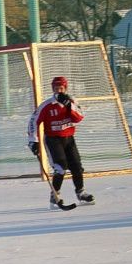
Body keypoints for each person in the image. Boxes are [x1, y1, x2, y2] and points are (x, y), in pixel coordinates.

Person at [28, 76, 95, 207]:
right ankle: (55, 196)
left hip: (69, 139)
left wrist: (69, 106)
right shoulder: (47, 105)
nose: (59, 91)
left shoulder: (72, 102)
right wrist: (33, 141)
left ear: (65, 88)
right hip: (53, 140)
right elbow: (33, 121)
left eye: (61, 88)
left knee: (77, 166)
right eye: (56, 88)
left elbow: (79, 118)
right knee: (60, 167)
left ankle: (81, 192)